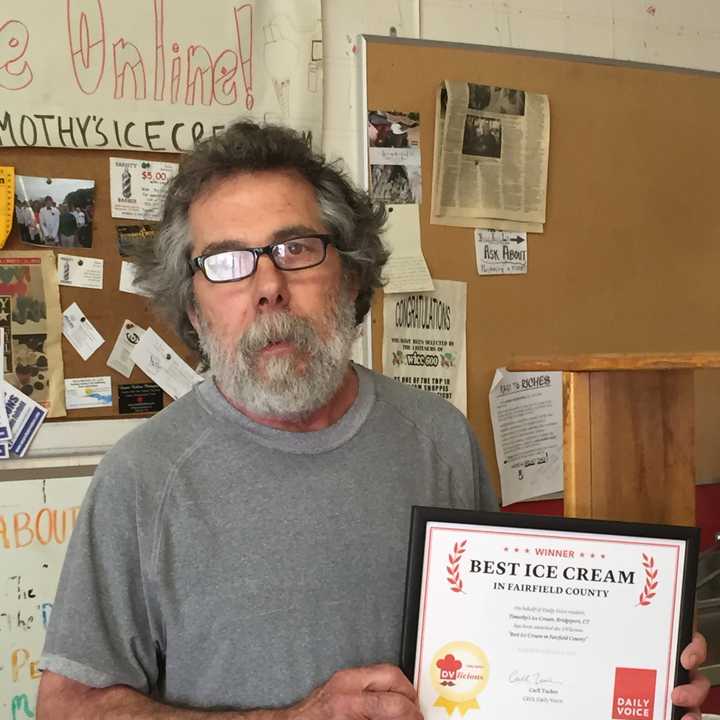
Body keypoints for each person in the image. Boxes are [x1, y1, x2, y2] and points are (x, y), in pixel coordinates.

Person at [37, 122, 709, 719]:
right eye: (228, 262)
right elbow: (67, 709)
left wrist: (637, 662)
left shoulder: (440, 439)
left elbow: (510, 655)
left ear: (352, 277)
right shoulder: (142, 479)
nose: (268, 285)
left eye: (295, 248)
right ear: (192, 307)